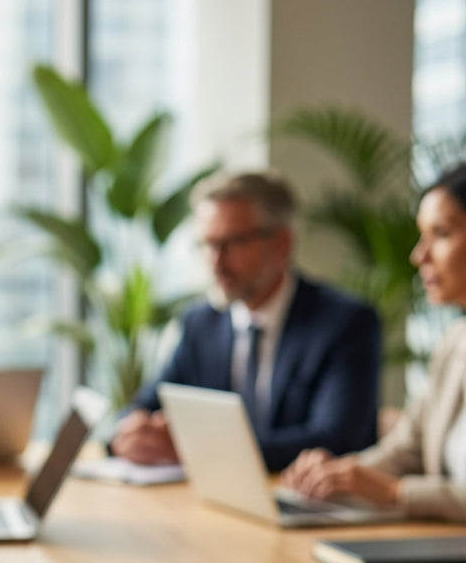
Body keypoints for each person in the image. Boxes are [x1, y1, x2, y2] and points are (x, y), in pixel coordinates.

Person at [109, 170, 382, 472]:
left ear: (281, 243)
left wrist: (197, 449)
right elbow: (146, 404)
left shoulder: (344, 324)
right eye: (207, 244)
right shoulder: (201, 324)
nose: (216, 261)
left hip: (308, 505)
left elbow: (335, 439)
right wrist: (133, 431)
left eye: (232, 243)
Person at [283, 163, 466, 520]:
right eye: (421, 237)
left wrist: (397, 493)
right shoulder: (455, 342)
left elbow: (398, 485)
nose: (419, 256)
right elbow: (409, 447)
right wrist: (339, 474)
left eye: (440, 234)